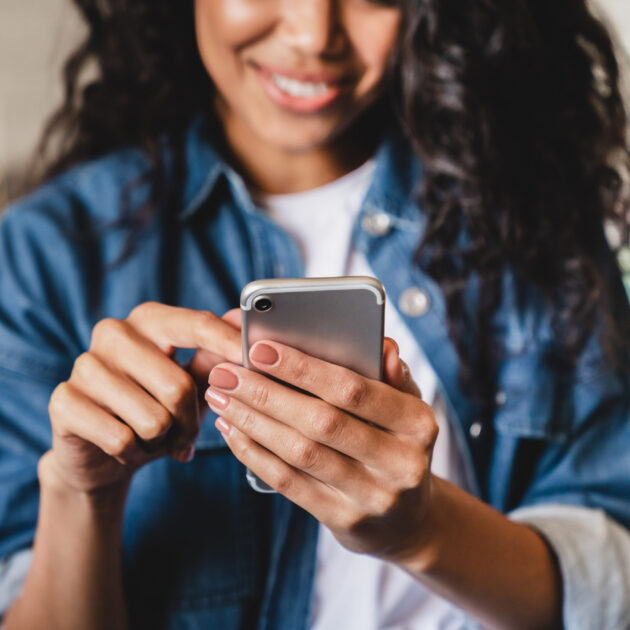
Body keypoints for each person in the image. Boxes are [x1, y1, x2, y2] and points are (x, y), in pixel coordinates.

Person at [1, 1, 629, 628]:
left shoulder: (533, 215)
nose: (312, 34)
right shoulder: (46, 256)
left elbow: (612, 581)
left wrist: (422, 531)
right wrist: (82, 492)